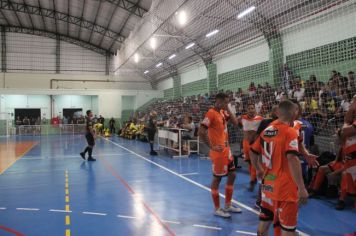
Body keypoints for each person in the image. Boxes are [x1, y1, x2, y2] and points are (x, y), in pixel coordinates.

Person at [250, 100, 308, 236]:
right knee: (288, 230)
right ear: (294, 113)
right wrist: (301, 187)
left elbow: (253, 151)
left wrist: (258, 168)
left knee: (263, 226)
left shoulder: (267, 130)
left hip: (268, 184)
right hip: (285, 188)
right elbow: (293, 158)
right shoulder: (290, 132)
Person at [199, 92, 242, 218]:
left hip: (226, 151)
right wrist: (211, 146)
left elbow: (235, 123)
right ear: (218, 101)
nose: (226, 104)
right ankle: (217, 208)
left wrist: (227, 107)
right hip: (218, 153)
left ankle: (228, 205)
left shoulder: (223, 112)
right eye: (225, 102)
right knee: (217, 179)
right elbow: (201, 132)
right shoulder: (211, 113)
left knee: (232, 175)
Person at [238, 103, 263, 191]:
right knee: (249, 162)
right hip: (245, 143)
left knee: (254, 163)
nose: (251, 110)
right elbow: (239, 125)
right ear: (247, 110)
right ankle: (253, 179)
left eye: (252, 108)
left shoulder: (260, 119)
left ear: (255, 109)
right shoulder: (243, 118)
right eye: (249, 108)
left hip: (255, 143)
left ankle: (253, 181)